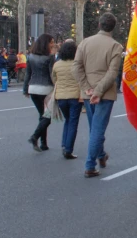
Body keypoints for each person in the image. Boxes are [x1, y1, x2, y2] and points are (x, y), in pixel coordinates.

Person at [74, 12, 124, 178]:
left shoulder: (85, 43)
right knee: (97, 129)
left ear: (99, 25)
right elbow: (112, 73)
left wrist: (87, 88)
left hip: (88, 93)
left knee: (94, 128)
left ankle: (101, 155)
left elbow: (76, 67)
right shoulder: (116, 46)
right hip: (105, 93)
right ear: (113, 27)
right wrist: (99, 90)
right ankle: (90, 164)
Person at [23, 34, 56, 152]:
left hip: (33, 88)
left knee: (42, 115)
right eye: (51, 42)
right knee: (47, 117)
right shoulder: (50, 57)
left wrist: (25, 89)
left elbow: (28, 74)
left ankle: (43, 143)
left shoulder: (30, 56)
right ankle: (35, 137)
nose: (53, 44)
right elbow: (52, 74)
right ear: (45, 43)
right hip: (46, 88)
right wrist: (56, 87)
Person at [52, 41, 83, 159]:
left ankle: (64, 144)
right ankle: (68, 149)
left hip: (61, 97)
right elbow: (81, 79)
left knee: (68, 120)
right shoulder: (77, 64)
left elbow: (54, 79)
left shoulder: (57, 64)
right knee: (73, 122)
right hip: (75, 96)